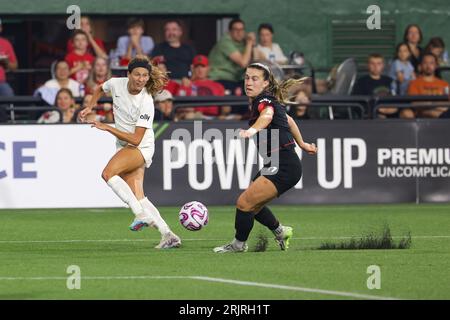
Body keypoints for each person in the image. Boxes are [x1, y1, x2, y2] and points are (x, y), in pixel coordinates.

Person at [78, 55, 181, 249]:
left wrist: (106, 127)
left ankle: (139, 214)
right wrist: (90, 106)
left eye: (144, 76)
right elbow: (100, 88)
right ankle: (168, 234)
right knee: (139, 195)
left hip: (140, 147)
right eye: (137, 75)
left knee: (108, 173)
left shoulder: (146, 102)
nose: (141, 79)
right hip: (125, 146)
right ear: (128, 74)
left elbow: (135, 139)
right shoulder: (116, 84)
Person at [213, 63, 317, 253]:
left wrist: (252, 130)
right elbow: (290, 120)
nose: (248, 82)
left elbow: (267, 116)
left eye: (254, 79)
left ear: (265, 83)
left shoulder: (265, 102)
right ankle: (280, 231)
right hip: (274, 164)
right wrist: (302, 144)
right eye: (246, 77)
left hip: (284, 166)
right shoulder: (264, 101)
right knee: (254, 204)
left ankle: (238, 245)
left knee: (244, 203)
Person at [208, 18, 255, 95]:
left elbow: (255, 60)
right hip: (219, 79)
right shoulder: (225, 42)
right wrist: (249, 43)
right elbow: (243, 63)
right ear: (230, 31)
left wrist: (252, 45)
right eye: (235, 29)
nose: (239, 32)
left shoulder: (243, 43)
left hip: (234, 80)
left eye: (241, 29)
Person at [403, 53, 449, 119]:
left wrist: (429, 104)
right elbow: (415, 104)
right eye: (425, 63)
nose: (428, 66)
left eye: (431, 63)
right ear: (421, 66)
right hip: (422, 117)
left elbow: (447, 103)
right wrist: (436, 105)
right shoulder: (414, 83)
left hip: (443, 116)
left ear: (436, 65)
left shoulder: (444, 84)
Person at [352, 54, 397, 118]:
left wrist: (394, 108)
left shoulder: (389, 81)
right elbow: (357, 103)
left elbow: (396, 97)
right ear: (368, 65)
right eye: (372, 63)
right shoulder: (361, 82)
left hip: (392, 113)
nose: (375, 66)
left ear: (383, 65)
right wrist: (376, 110)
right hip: (372, 115)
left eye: (379, 64)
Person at [0, 18, 18, 96]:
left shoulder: (5, 43)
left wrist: (6, 62)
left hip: (1, 82)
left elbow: (15, 67)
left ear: (1, 28)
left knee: (8, 94)